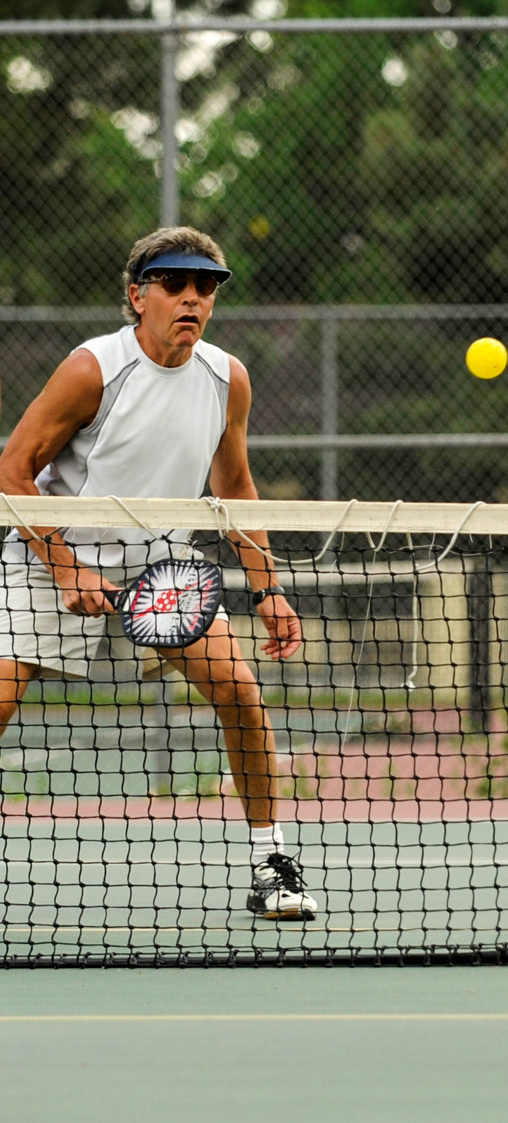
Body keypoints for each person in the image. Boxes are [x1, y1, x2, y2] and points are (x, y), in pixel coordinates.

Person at [0, 226, 318, 921]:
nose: (192, 298)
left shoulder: (227, 378)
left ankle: (270, 862)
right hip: (51, 547)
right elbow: (13, 468)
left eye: (205, 287)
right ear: (137, 295)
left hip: (161, 562)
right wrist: (63, 565)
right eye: (175, 284)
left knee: (239, 691)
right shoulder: (92, 368)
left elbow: (234, 485)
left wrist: (268, 588)